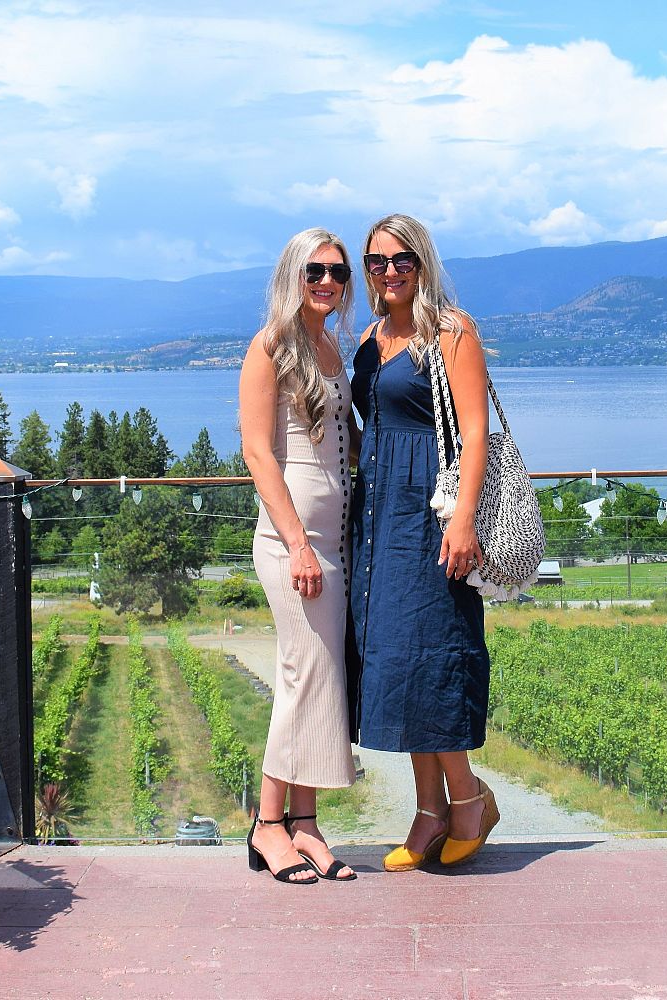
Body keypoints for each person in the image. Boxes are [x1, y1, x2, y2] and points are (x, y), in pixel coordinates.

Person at [347, 213, 501, 872]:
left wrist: (462, 519)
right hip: (378, 516)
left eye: (400, 259)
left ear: (422, 261)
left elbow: (473, 429)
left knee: (432, 655)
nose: (388, 271)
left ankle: (466, 801)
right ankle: (431, 811)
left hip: (431, 510)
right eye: (377, 261)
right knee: (399, 663)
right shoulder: (370, 336)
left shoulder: (451, 330)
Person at [238, 228, 360, 885]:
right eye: (315, 270)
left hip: (335, 546)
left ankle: (307, 826)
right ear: (293, 273)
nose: (327, 281)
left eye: (338, 273)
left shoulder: (331, 345)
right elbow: (259, 452)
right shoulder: (271, 347)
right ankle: (266, 825)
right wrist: (295, 545)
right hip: (293, 546)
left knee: (321, 682)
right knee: (301, 675)